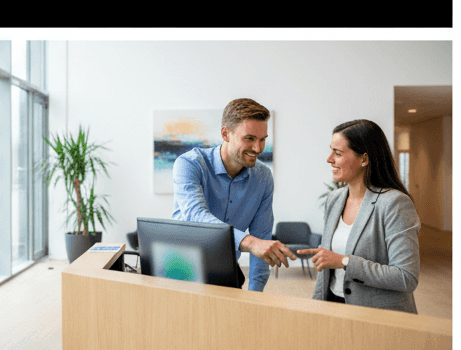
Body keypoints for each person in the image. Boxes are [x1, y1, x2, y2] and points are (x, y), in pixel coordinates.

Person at [172, 98, 297, 291]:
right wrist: (250, 242)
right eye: (249, 138)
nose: (258, 148)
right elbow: (196, 216)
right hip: (179, 269)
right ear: (226, 134)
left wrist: (256, 292)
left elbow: (261, 235)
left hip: (225, 270)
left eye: (263, 139)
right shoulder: (190, 164)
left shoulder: (263, 177)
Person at [297, 119, 421, 313]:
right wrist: (316, 308)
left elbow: (406, 277)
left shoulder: (394, 203)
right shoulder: (334, 199)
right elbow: (327, 267)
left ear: (364, 159)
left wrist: (344, 261)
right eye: (331, 151)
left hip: (377, 316)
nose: (329, 159)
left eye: (337, 153)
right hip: (334, 304)